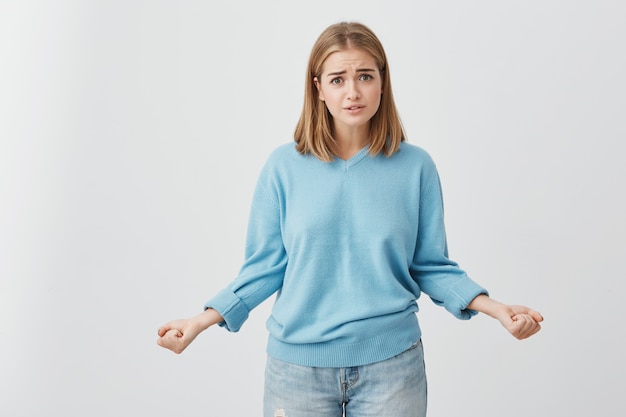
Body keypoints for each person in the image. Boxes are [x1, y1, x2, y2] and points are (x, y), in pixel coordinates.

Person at [157, 21, 543, 417]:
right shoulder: (282, 168)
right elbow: (265, 268)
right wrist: (201, 321)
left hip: (393, 369)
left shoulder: (416, 168)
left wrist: (495, 308)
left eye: (364, 76)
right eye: (338, 79)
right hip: (296, 373)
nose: (353, 92)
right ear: (318, 88)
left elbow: (431, 265)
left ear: (382, 82)